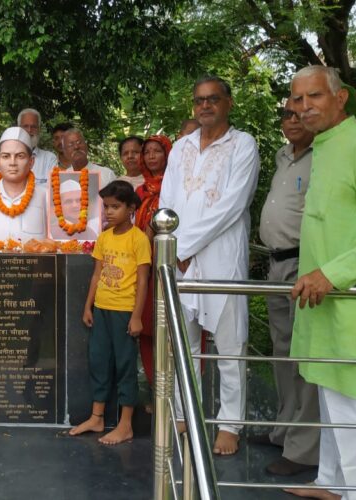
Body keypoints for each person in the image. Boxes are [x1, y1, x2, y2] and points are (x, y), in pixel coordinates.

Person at [284, 66, 356, 500]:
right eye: (297, 99)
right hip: (324, 304)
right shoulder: (326, 146)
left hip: (352, 304)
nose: (304, 107)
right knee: (331, 397)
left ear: (341, 97)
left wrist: (332, 274)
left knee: (352, 409)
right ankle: (331, 484)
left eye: (314, 96)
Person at [159, 75, 260, 455]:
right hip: (181, 262)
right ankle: (187, 414)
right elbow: (167, 202)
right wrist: (175, 249)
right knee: (185, 347)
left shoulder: (243, 144)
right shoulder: (181, 147)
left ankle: (230, 424)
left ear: (228, 103)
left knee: (230, 346)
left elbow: (232, 205)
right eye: (200, 100)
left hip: (221, 258)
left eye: (213, 99)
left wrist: (182, 245)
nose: (205, 106)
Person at [253, 99, 319, 476]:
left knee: (303, 356)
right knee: (281, 352)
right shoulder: (282, 156)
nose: (292, 120)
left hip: (305, 264)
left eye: (299, 115)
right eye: (287, 114)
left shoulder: (322, 156)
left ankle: (304, 448)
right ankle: (284, 430)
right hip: (276, 263)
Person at [70, 180, 150, 445]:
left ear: (130, 208)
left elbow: (142, 280)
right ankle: (97, 417)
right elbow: (96, 275)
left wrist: (137, 316)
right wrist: (87, 305)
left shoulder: (139, 239)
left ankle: (126, 424)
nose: (110, 212)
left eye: (116, 206)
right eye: (106, 207)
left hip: (124, 311)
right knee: (99, 360)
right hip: (102, 309)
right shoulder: (104, 237)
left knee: (125, 366)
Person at [133, 134, 172, 390]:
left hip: (170, 260)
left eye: (157, 151)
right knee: (147, 322)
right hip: (144, 261)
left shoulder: (175, 185)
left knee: (170, 321)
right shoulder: (140, 190)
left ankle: (176, 387)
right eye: (147, 152)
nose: (151, 156)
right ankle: (154, 386)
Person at [0, 127, 47, 243]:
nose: (12, 163)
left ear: (31, 162)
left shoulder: (46, 197)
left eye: (20, 156)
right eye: (6, 156)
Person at [17, 108, 57, 184]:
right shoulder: (7, 157)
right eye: (25, 126)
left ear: (39, 129)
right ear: (18, 128)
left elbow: (52, 189)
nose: (29, 130)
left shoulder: (49, 159)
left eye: (33, 126)